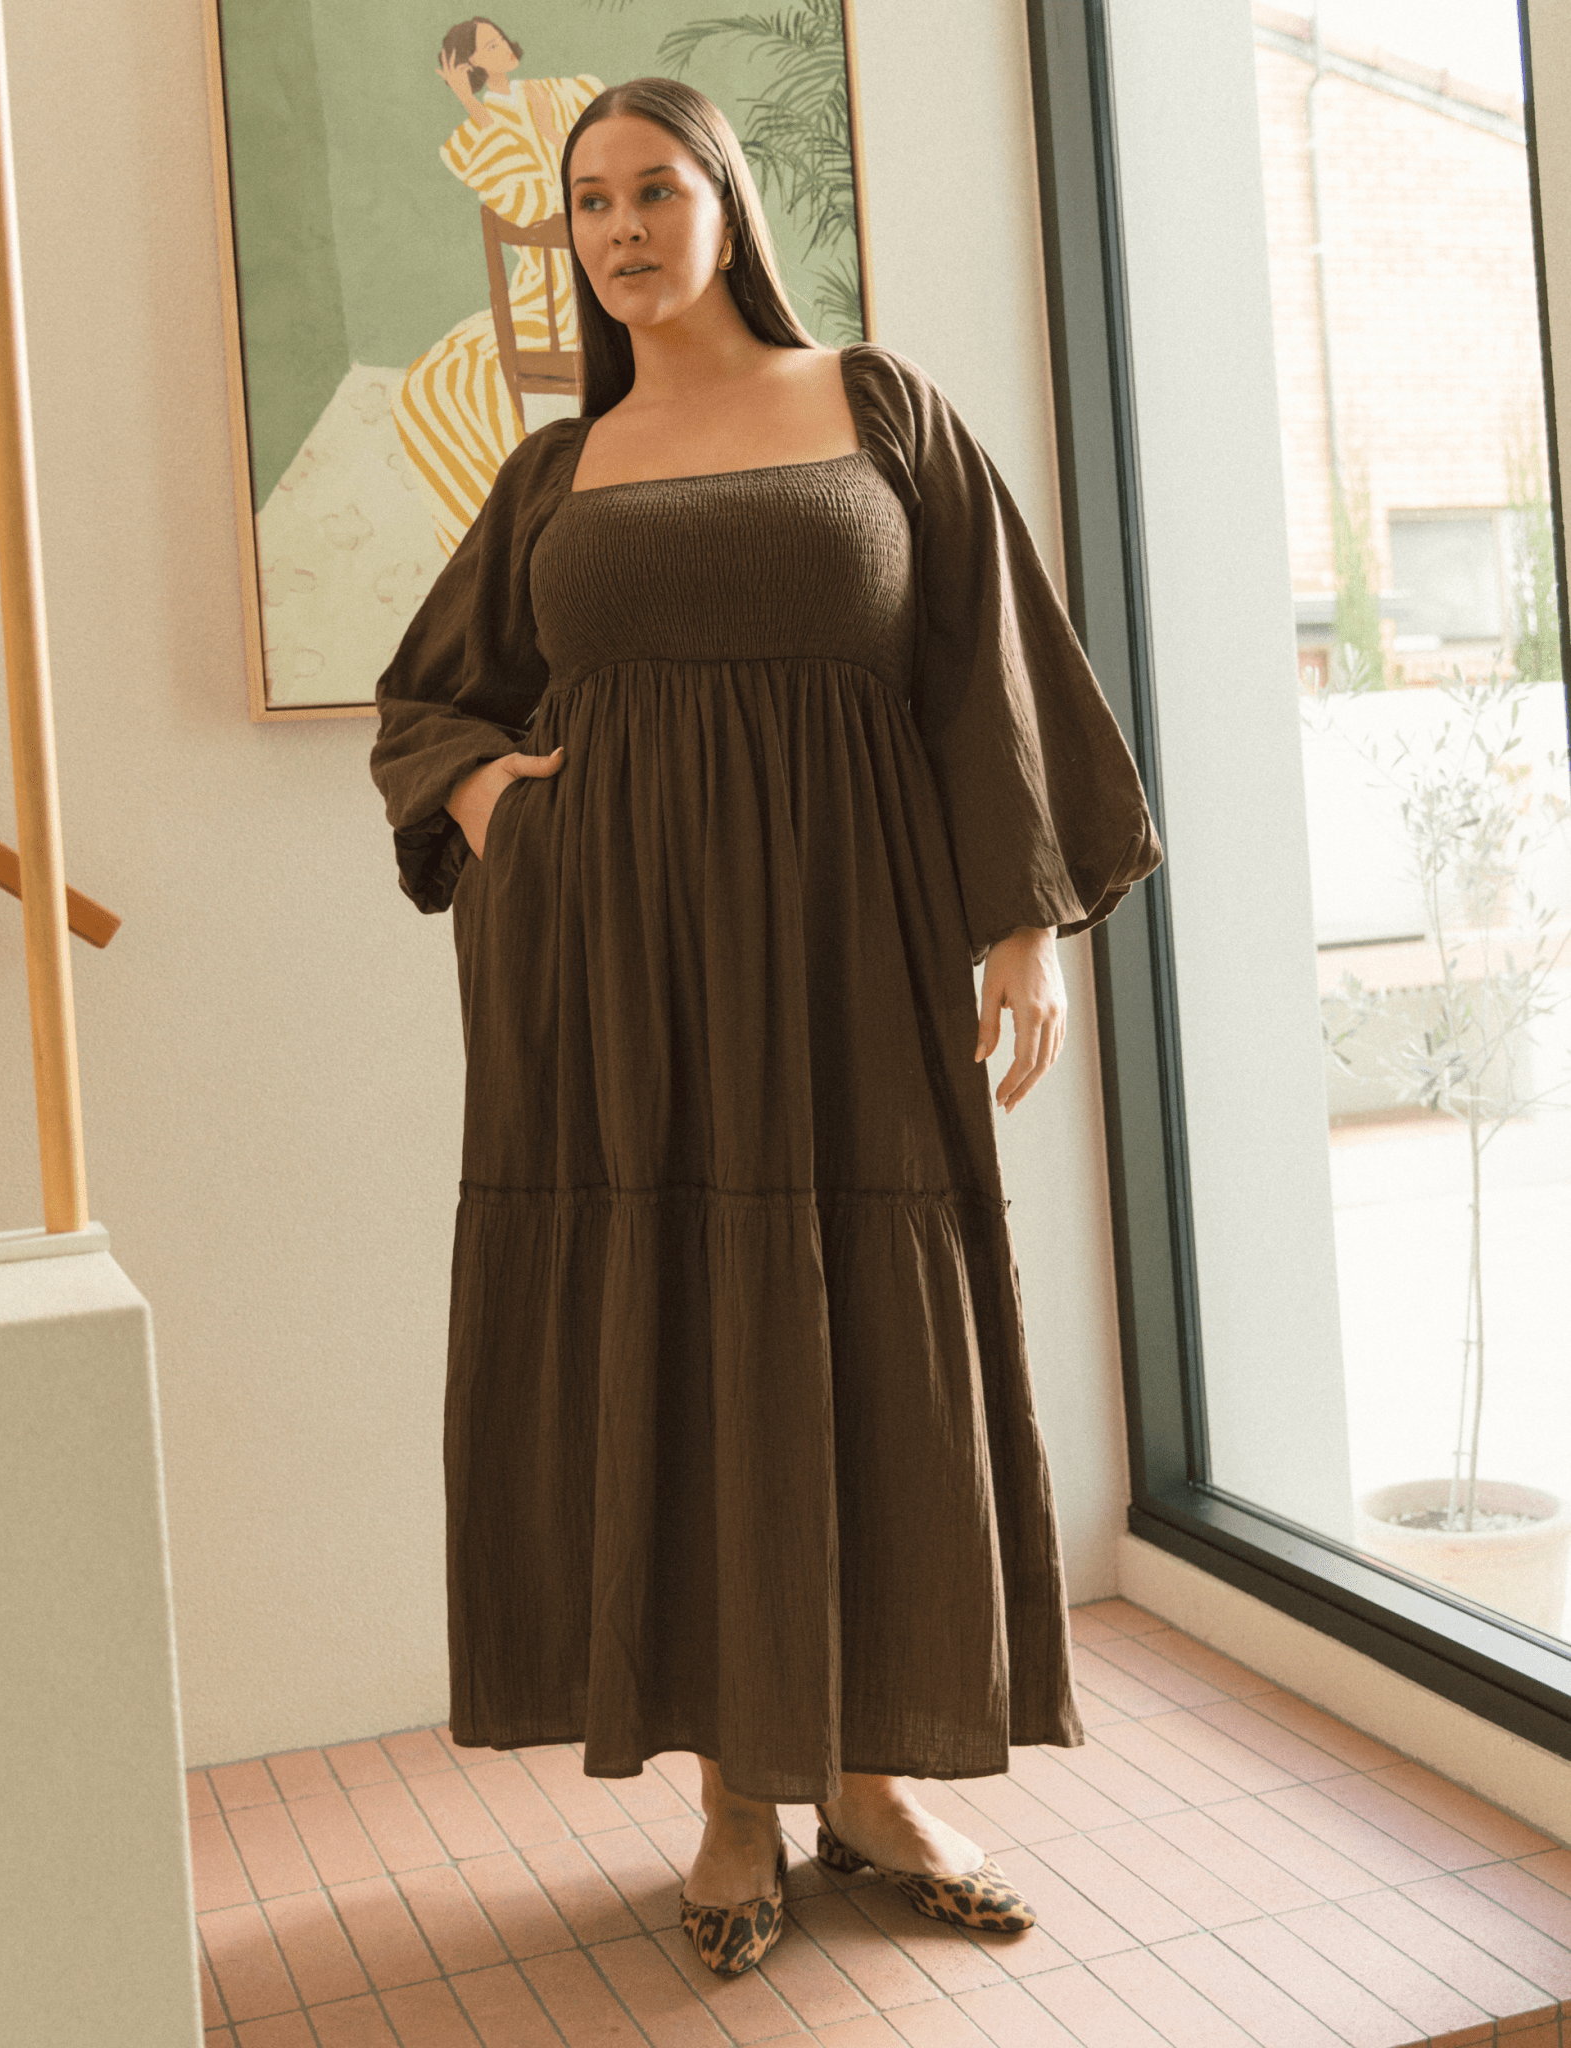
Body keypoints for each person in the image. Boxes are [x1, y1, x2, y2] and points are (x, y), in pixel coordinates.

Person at [369, 77, 1163, 1979]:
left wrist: (1023, 927)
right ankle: (734, 1797)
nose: (619, 229)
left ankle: (868, 1783)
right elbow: (427, 702)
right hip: (614, 982)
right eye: (588, 202)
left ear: (727, 202)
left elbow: (986, 671)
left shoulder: (879, 409)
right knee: (684, 1334)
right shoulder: (552, 474)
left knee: (862, 1328)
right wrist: (489, 801)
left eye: (653, 190)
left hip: (848, 957)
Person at [391, 18, 602, 558]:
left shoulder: (572, 91)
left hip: (597, 283)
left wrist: (554, 140)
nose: (501, 47)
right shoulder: (471, 140)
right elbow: (530, 207)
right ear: (471, 65)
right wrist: (473, 107)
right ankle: (496, 533)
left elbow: (600, 181)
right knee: (433, 380)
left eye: (499, 38)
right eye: (487, 46)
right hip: (540, 290)